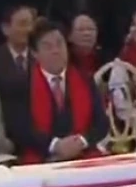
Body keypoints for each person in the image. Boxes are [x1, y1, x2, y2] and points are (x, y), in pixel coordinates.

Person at [7, 20, 108, 163]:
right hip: (42, 157)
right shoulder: (21, 85)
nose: (56, 51)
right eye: (47, 46)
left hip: (82, 153)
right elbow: (20, 129)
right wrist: (55, 145)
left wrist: (81, 141)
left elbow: (101, 123)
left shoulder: (85, 79)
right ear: (35, 53)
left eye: (60, 44)